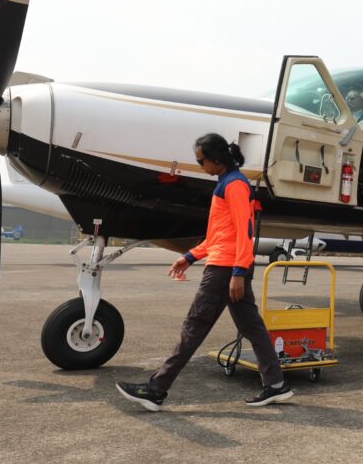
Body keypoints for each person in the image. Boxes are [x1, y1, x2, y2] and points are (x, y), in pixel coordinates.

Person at [116, 133, 293, 410]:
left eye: (201, 161)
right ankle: (276, 385)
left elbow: (244, 231)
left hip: (225, 269)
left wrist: (238, 272)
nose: (200, 166)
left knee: (194, 326)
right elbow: (219, 235)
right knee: (252, 327)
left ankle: (155, 390)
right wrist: (190, 257)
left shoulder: (234, 185)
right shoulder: (226, 183)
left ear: (217, 159)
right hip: (227, 265)